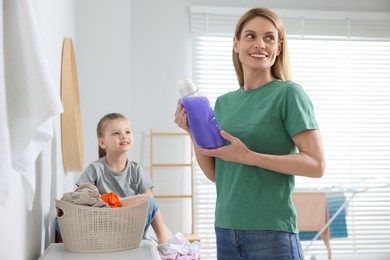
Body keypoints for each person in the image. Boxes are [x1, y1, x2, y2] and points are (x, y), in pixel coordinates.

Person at [174, 7, 325, 260]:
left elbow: (316, 164)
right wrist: (192, 132)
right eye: (251, 36)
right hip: (226, 229)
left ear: (278, 47)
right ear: (236, 43)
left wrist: (250, 156)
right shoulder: (223, 103)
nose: (260, 44)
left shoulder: (289, 94)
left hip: (271, 233)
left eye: (269, 38)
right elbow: (216, 174)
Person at [76, 112, 168, 244]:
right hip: (103, 227)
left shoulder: (136, 171)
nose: (124, 136)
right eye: (116, 133)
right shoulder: (95, 169)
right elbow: (79, 198)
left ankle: (141, 242)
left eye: (128, 132)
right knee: (59, 222)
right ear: (102, 143)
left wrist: (164, 242)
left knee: (151, 202)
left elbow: (151, 206)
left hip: (130, 229)